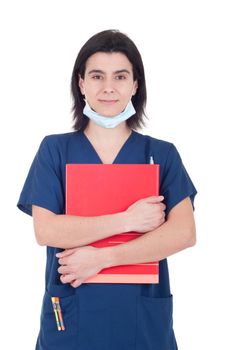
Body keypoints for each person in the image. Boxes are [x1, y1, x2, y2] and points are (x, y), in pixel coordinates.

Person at [17, 29, 197, 350]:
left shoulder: (161, 154)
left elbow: (183, 233)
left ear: (135, 85)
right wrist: (128, 221)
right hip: (74, 316)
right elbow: (46, 230)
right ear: (82, 84)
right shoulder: (55, 150)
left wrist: (103, 258)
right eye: (97, 76)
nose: (109, 87)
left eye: (120, 76)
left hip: (141, 321)